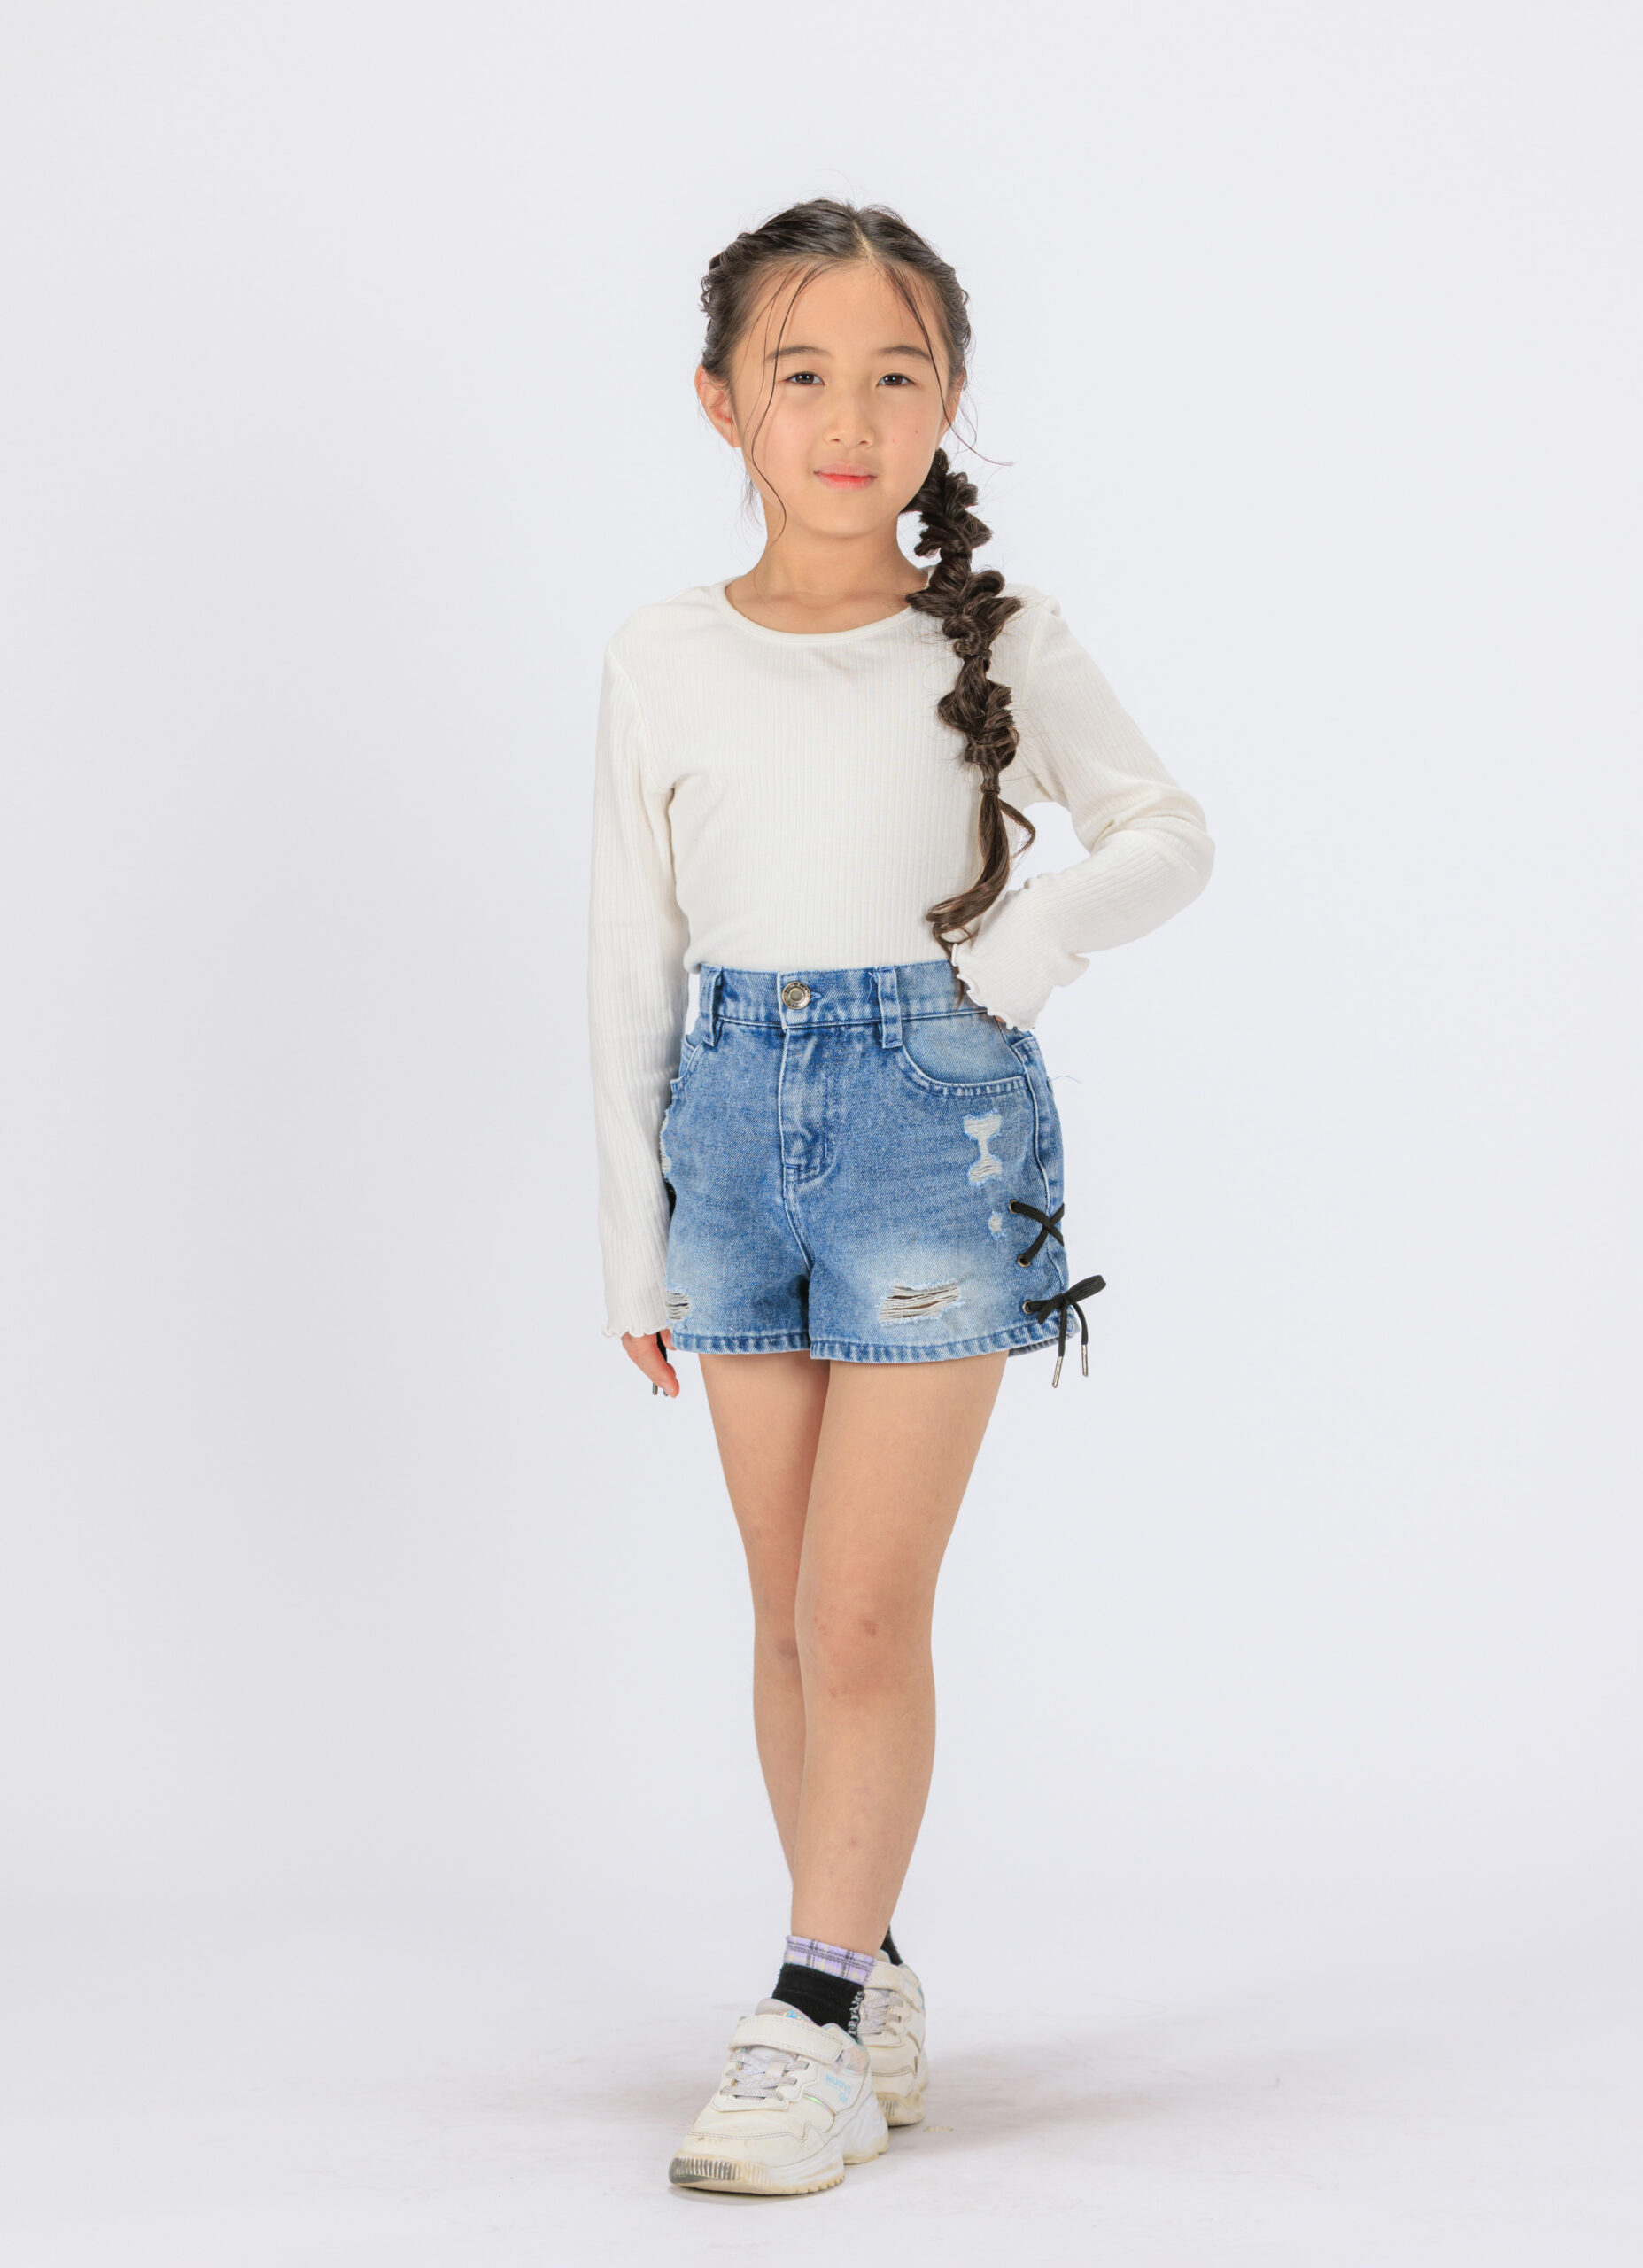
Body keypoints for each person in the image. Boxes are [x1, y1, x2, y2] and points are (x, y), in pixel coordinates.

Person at [586, 198, 1214, 2196]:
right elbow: (629, 958)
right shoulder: (661, 653)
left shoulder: (996, 636)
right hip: (725, 1126)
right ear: (722, 402)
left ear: (947, 401)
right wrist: (629, 1241)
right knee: (784, 1613)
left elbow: (1166, 832)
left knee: (864, 1609)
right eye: (802, 373)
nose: (849, 418)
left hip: (930, 1132)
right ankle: (859, 1976)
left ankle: (806, 2018)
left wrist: (1014, 960)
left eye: (895, 372)